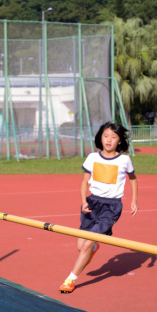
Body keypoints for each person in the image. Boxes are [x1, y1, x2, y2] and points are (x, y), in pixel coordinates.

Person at [58, 122, 139, 294]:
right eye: (106, 136)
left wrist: (134, 200)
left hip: (111, 207)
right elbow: (84, 182)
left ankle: (70, 280)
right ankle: (94, 247)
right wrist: (83, 201)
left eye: (113, 137)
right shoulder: (92, 157)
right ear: (100, 138)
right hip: (92, 203)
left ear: (119, 141)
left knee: (87, 243)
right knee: (81, 246)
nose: (109, 140)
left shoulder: (124, 160)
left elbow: (133, 178)